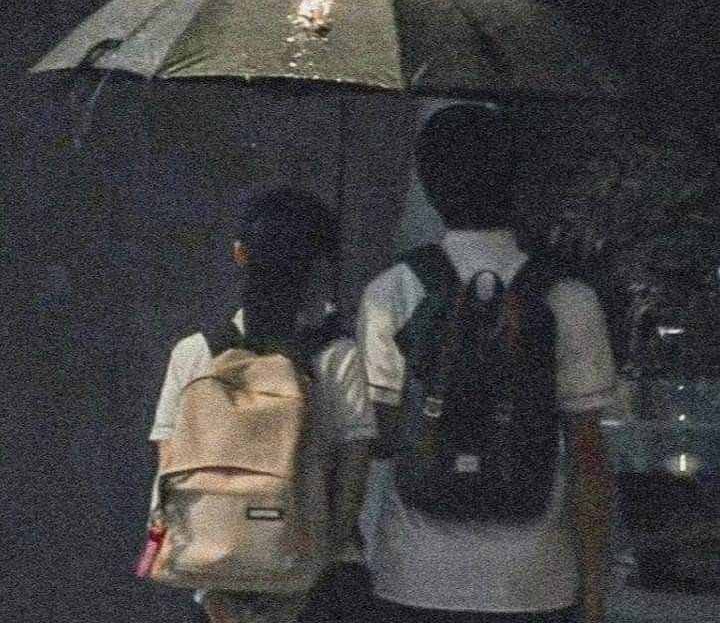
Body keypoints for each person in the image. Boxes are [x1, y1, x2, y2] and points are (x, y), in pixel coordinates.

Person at [356, 105, 616, 623]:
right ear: (518, 182)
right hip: (535, 579)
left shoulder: (393, 292)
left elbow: (374, 438)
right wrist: (592, 593)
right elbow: (588, 455)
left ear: (428, 185)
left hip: (413, 573)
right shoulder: (568, 297)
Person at [149, 188, 375, 623]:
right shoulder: (336, 355)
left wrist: (209, 594)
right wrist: (307, 577)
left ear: (239, 254)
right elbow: (352, 482)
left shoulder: (195, 353)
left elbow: (169, 473)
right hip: (318, 585)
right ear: (319, 267)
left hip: (214, 573)